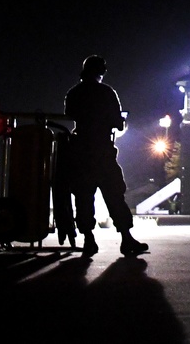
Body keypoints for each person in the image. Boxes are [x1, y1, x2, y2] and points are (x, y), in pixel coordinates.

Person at [62, 54, 148, 256]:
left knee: (83, 197)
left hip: (81, 151)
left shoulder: (74, 93)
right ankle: (126, 239)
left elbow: (70, 115)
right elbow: (118, 123)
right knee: (114, 194)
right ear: (101, 71)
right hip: (102, 150)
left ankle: (88, 239)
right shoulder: (107, 92)